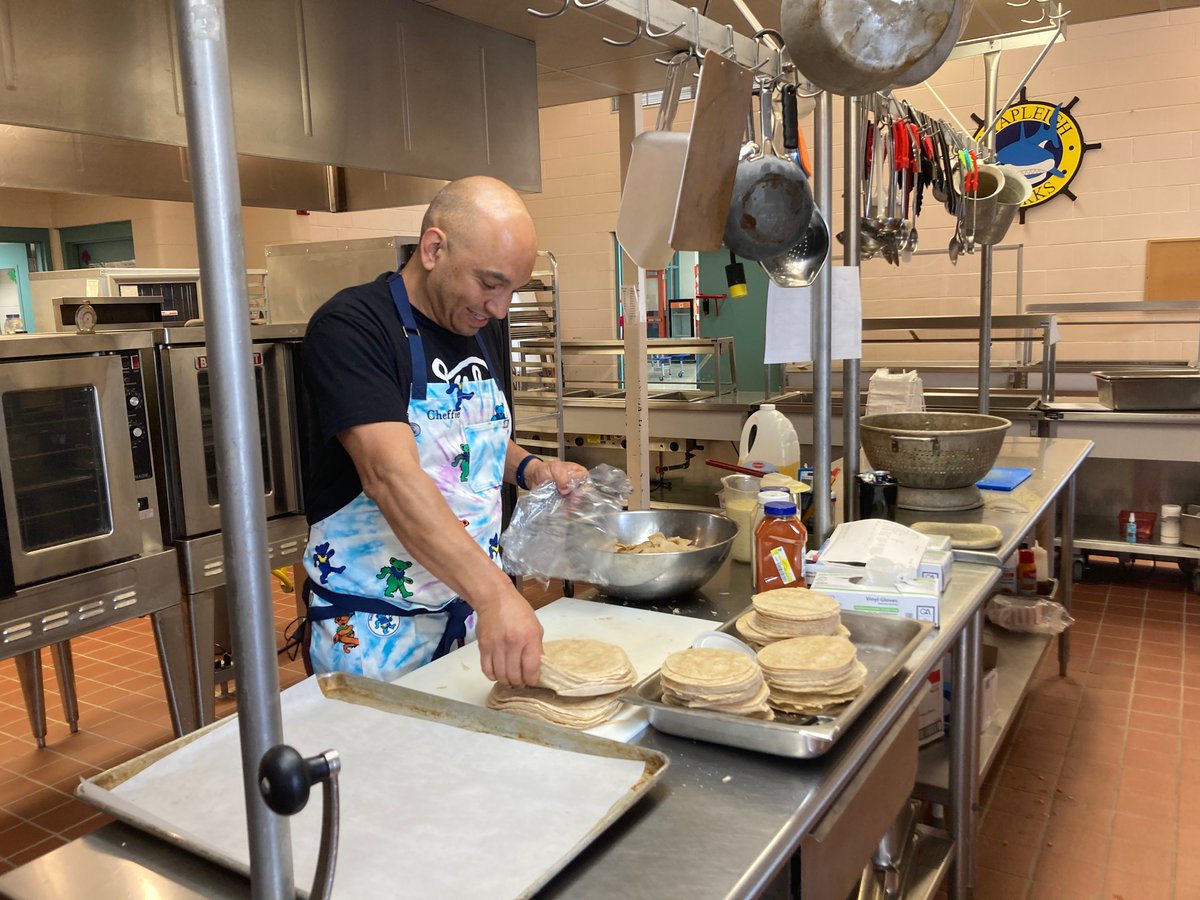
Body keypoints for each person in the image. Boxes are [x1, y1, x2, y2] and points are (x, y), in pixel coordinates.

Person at [299, 176, 587, 687]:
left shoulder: (478, 324)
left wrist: (530, 468)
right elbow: (390, 477)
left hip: (471, 617)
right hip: (376, 630)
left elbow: (465, 437)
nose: (499, 308)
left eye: (512, 290)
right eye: (490, 284)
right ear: (434, 248)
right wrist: (496, 594)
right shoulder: (353, 327)